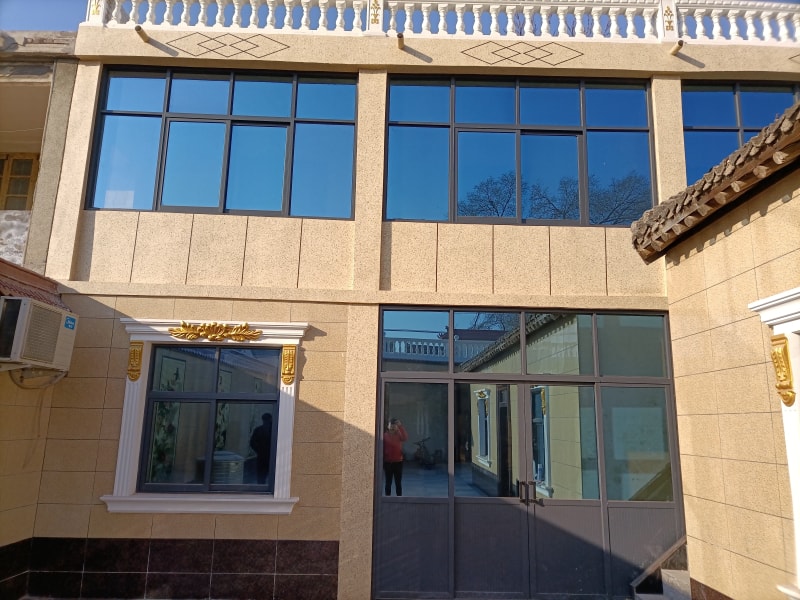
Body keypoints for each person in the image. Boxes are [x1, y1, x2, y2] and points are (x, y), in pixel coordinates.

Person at [383, 417, 408, 496]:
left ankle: (399, 498)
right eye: (391, 425)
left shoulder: (399, 435)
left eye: (394, 425)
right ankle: (387, 498)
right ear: (388, 426)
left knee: (398, 482)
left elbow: (405, 438)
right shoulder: (384, 435)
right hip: (388, 462)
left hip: (398, 462)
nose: (393, 427)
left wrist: (400, 426)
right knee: (388, 482)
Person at [249, 413, 273, 484]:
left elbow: (252, 443)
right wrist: (259, 451)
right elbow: (252, 443)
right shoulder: (274, 430)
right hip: (266, 457)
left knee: (262, 478)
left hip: (264, 457)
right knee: (263, 478)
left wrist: (259, 450)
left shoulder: (259, 430)